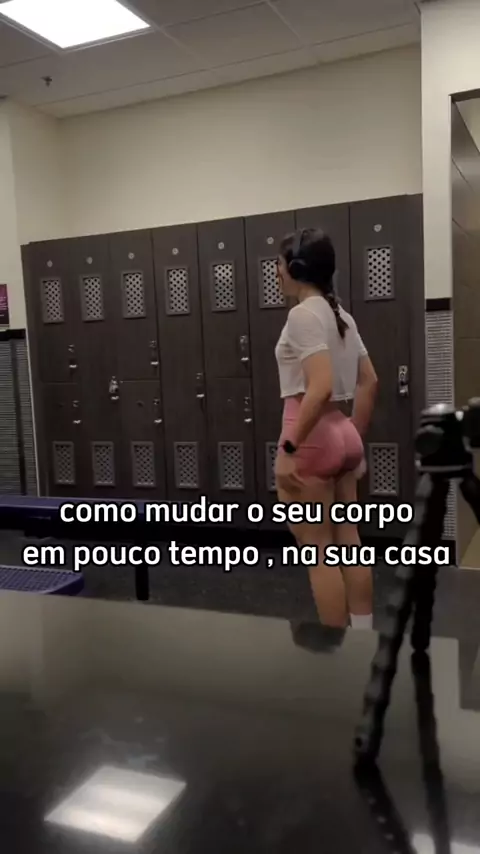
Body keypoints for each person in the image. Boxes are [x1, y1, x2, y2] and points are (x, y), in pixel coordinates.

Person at [274, 228, 378, 629]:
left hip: (310, 436)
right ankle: (362, 638)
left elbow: (318, 388)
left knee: (318, 553)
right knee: (349, 540)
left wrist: (289, 450)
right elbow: (370, 381)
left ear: (297, 268)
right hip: (341, 430)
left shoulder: (302, 315)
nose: (277, 272)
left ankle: (337, 651)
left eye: (280, 264)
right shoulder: (342, 316)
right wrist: (353, 440)